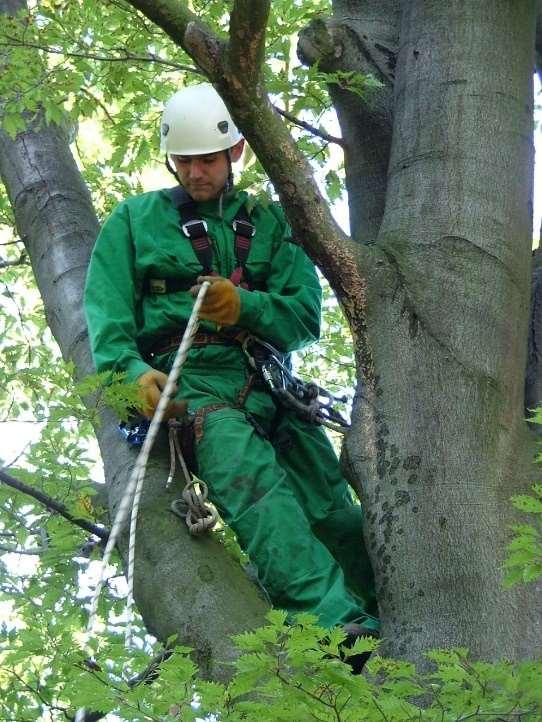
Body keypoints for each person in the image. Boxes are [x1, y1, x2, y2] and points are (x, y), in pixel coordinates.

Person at [84, 83, 379, 647]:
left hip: (271, 382)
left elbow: (304, 317)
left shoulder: (271, 224)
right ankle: (337, 629)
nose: (195, 172)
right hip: (194, 381)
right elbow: (108, 317)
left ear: (235, 153)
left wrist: (246, 305)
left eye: (207, 160)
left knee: (333, 510)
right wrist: (134, 376)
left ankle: (387, 616)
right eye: (185, 160)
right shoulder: (134, 222)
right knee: (262, 498)